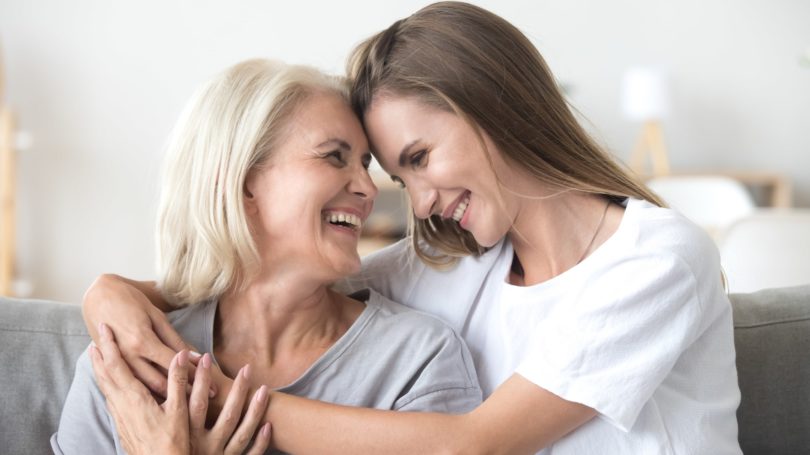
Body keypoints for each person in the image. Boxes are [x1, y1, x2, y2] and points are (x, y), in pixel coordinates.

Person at [82, 2, 742, 453]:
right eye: (403, 177)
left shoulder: (655, 258)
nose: (419, 203)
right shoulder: (458, 262)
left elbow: (470, 444)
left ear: (493, 104)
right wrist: (112, 290)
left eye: (419, 158)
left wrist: (216, 400)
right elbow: (274, 276)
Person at [51, 58, 482, 454]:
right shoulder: (127, 365)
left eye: (366, 165)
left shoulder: (416, 360)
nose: (368, 189)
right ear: (243, 186)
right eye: (335, 157)